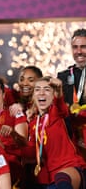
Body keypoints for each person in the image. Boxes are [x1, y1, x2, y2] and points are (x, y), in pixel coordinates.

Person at [22, 76, 86, 188]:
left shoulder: (57, 112)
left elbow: (60, 105)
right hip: (51, 177)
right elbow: (31, 152)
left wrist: (59, 91)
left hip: (71, 168)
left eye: (47, 89)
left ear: (52, 96)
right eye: (37, 89)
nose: (41, 93)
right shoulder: (33, 124)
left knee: (61, 177)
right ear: (33, 96)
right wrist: (13, 139)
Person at [57, 28, 86, 156]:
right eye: (75, 47)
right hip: (71, 136)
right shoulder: (63, 76)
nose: (79, 51)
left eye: (83, 47)